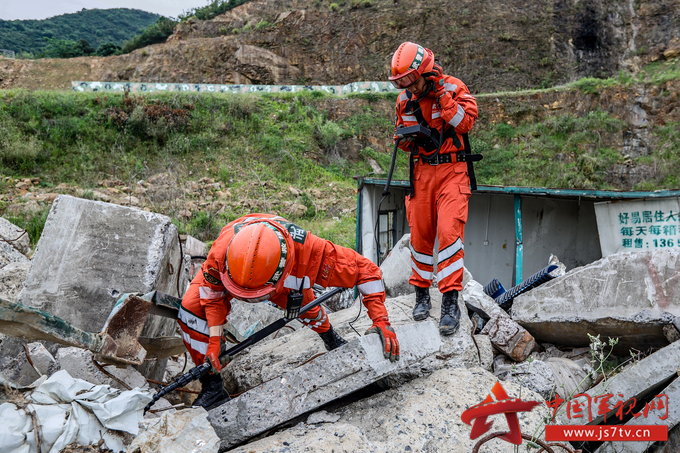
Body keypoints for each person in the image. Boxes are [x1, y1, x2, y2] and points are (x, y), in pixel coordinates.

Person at [178, 213, 399, 409]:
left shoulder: (312, 253)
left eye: (257, 296)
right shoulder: (220, 254)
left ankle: (330, 337)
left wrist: (381, 320)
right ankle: (212, 387)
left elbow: (368, 272)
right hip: (237, 273)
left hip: (287, 279)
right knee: (191, 310)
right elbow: (212, 296)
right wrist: (214, 339)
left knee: (308, 310)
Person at [388, 42, 478, 336]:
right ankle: (422, 295)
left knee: (450, 234)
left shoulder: (453, 87)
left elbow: (465, 123)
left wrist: (442, 97)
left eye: (411, 81)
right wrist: (403, 140)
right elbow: (405, 136)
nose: (409, 88)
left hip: (453, 169)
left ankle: (450, 301)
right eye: (402, 83)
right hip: (422, 172)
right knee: (420, 236)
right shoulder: (405, 100)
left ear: (426, 72)